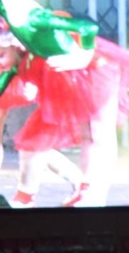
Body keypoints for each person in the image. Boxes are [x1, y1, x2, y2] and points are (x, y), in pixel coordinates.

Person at [0, 0, 129, 207]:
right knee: (37, 140)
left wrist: (84, 56)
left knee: (97, 133)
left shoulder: (33, 15)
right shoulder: (7, 8)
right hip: (56, 73)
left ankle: (92, 194)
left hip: (92, 69)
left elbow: (86, 27)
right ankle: (41, 195)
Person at [0, 19, 85, 207]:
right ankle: (78, 182)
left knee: (33, 143)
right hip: (19, 70)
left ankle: (28, 196)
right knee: (32, 144)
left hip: (35, 75)